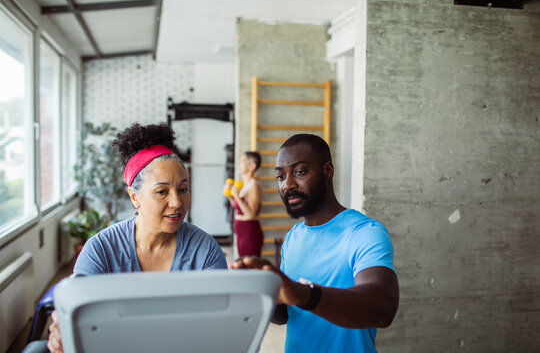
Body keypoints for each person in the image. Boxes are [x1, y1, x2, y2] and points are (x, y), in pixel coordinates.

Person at [36, 122, 227, 353]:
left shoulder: (204, 250)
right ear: (134, 197)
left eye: (183, 189)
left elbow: (221, 324)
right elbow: (77, 312)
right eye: (162, 191)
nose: (177, 202)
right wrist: (63, 326)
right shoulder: (101, 249)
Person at [231, 134, 399, 353]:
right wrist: (262, 290)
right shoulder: (293, 237)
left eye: (299, 172)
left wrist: (305, 294)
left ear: (327, 171)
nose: (287, 185)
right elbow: (284, 314)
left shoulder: (364, 232)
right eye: (280, 176)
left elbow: (383, 308)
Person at [225, 151, 264, 257]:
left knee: (249, 265)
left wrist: (236, 196)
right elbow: (239, 208)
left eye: (242, 161)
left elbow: (251, 214)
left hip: (249, 230)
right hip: (241, 229)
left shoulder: (254, 186)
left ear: (252, 166)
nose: (238, 164)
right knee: (242, 264)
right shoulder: (243, 186)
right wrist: (229, 196)